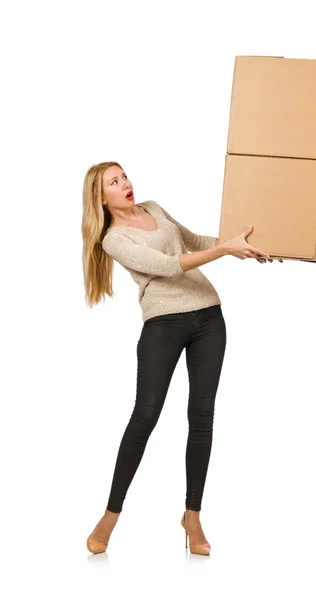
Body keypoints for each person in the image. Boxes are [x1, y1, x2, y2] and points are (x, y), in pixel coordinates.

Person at [82, 161, 283, 556]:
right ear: (99, 197)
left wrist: (240, 245)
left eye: (125, 176)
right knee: (145, 416)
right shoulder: (113, 239)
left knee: (202, 415)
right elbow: (167, 266)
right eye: (114, 181)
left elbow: (192, 240)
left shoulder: (154, 208)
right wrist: (224, 250)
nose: (126, 184)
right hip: (163, 326)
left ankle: (192, 515)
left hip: (209, 316)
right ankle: (110, 515)